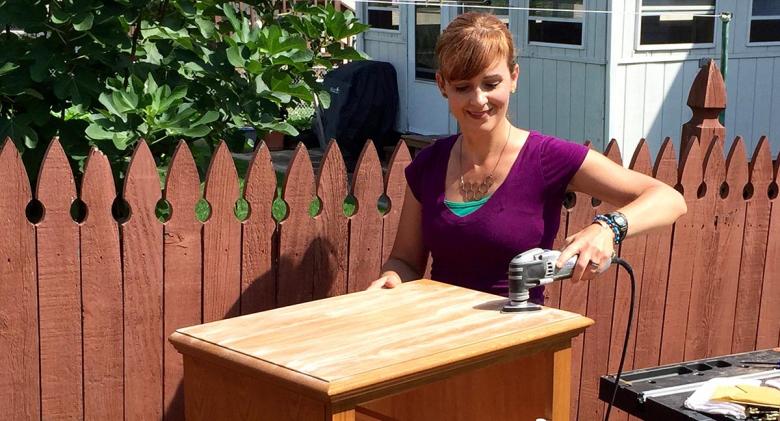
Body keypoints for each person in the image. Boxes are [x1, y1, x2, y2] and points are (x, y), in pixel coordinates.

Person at [367, 12, 686, 301]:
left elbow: (669, 199)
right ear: (442, 86)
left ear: (514, 77)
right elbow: (406, 261)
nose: (479, 100)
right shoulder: (428, 165)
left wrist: (607, 228)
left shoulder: (546, 158)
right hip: (444, 344)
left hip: (522, 344)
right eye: (463, 87)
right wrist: (392, 278)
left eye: (491, 83)